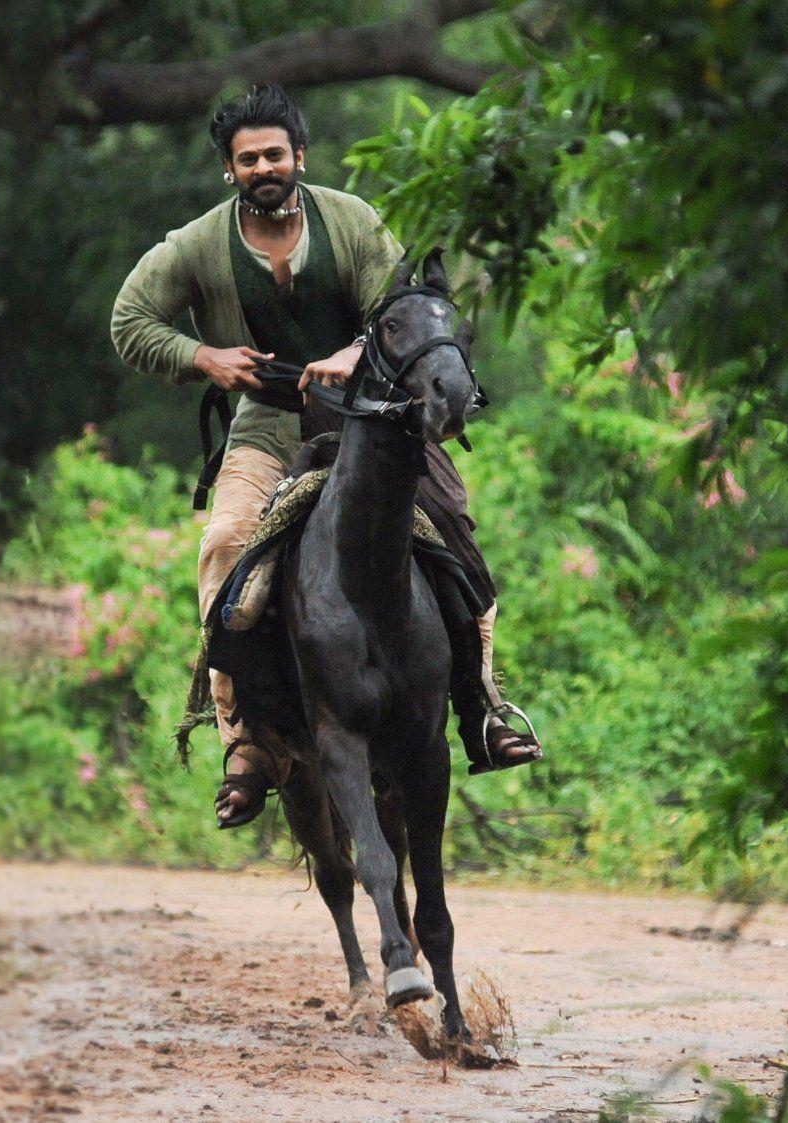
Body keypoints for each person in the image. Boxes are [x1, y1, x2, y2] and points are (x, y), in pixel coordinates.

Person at [110, 85, 540, 828]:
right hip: (267, 424)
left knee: (458, 538)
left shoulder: (353, 221)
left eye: (275, 153)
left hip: (370, 420)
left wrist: (350, 354)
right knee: (221, 546)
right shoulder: (198, 245)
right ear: (230, 170)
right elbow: (129, 320)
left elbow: (395, 311)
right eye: (247, 159)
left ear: (299, 157)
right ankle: (245, 742)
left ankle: (484, 708)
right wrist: (202, 356)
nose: (263, 167)